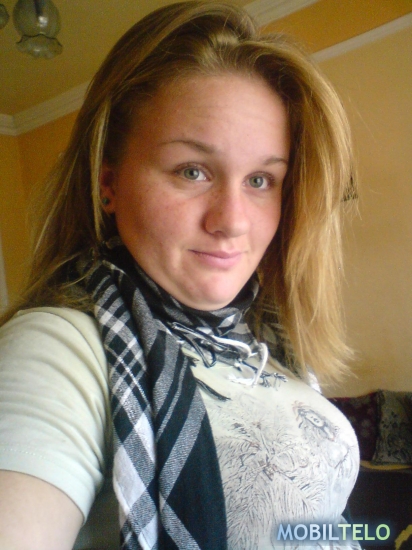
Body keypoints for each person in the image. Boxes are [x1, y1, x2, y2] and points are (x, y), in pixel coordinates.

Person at [0, 2, 360, 549]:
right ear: (109, 182)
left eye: (261, 180)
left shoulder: (267, 340)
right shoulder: (58, 349)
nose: (232, 221)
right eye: (192, 171)